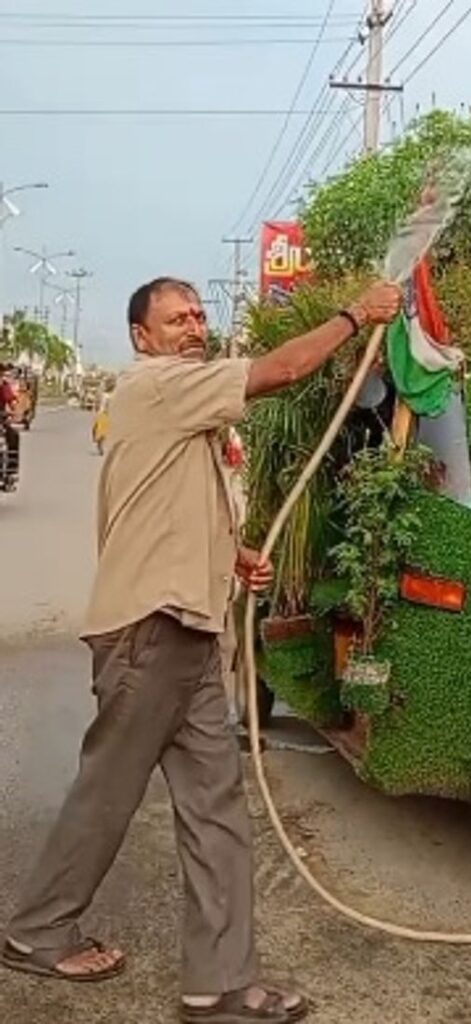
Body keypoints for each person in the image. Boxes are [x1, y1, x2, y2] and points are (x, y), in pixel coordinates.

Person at [1, 276, 402, 1023]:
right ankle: (37, 931)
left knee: (216, 807)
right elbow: (280, 370)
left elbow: (164, 511)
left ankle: (218, 985)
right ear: (142, 338)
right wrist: (357, 315)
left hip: (188, 633)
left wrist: (233, 555)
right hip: (150, 631)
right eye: (175, 319)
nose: (193, 326)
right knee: (107, 795)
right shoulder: (157, 385)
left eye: (197, 315)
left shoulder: (184, 411)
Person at [0, 364, 20, 489]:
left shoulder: (4, 386)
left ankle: (10, 471)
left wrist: (13, 411)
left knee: (14, 435)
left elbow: (11, 401)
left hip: (1, 418)